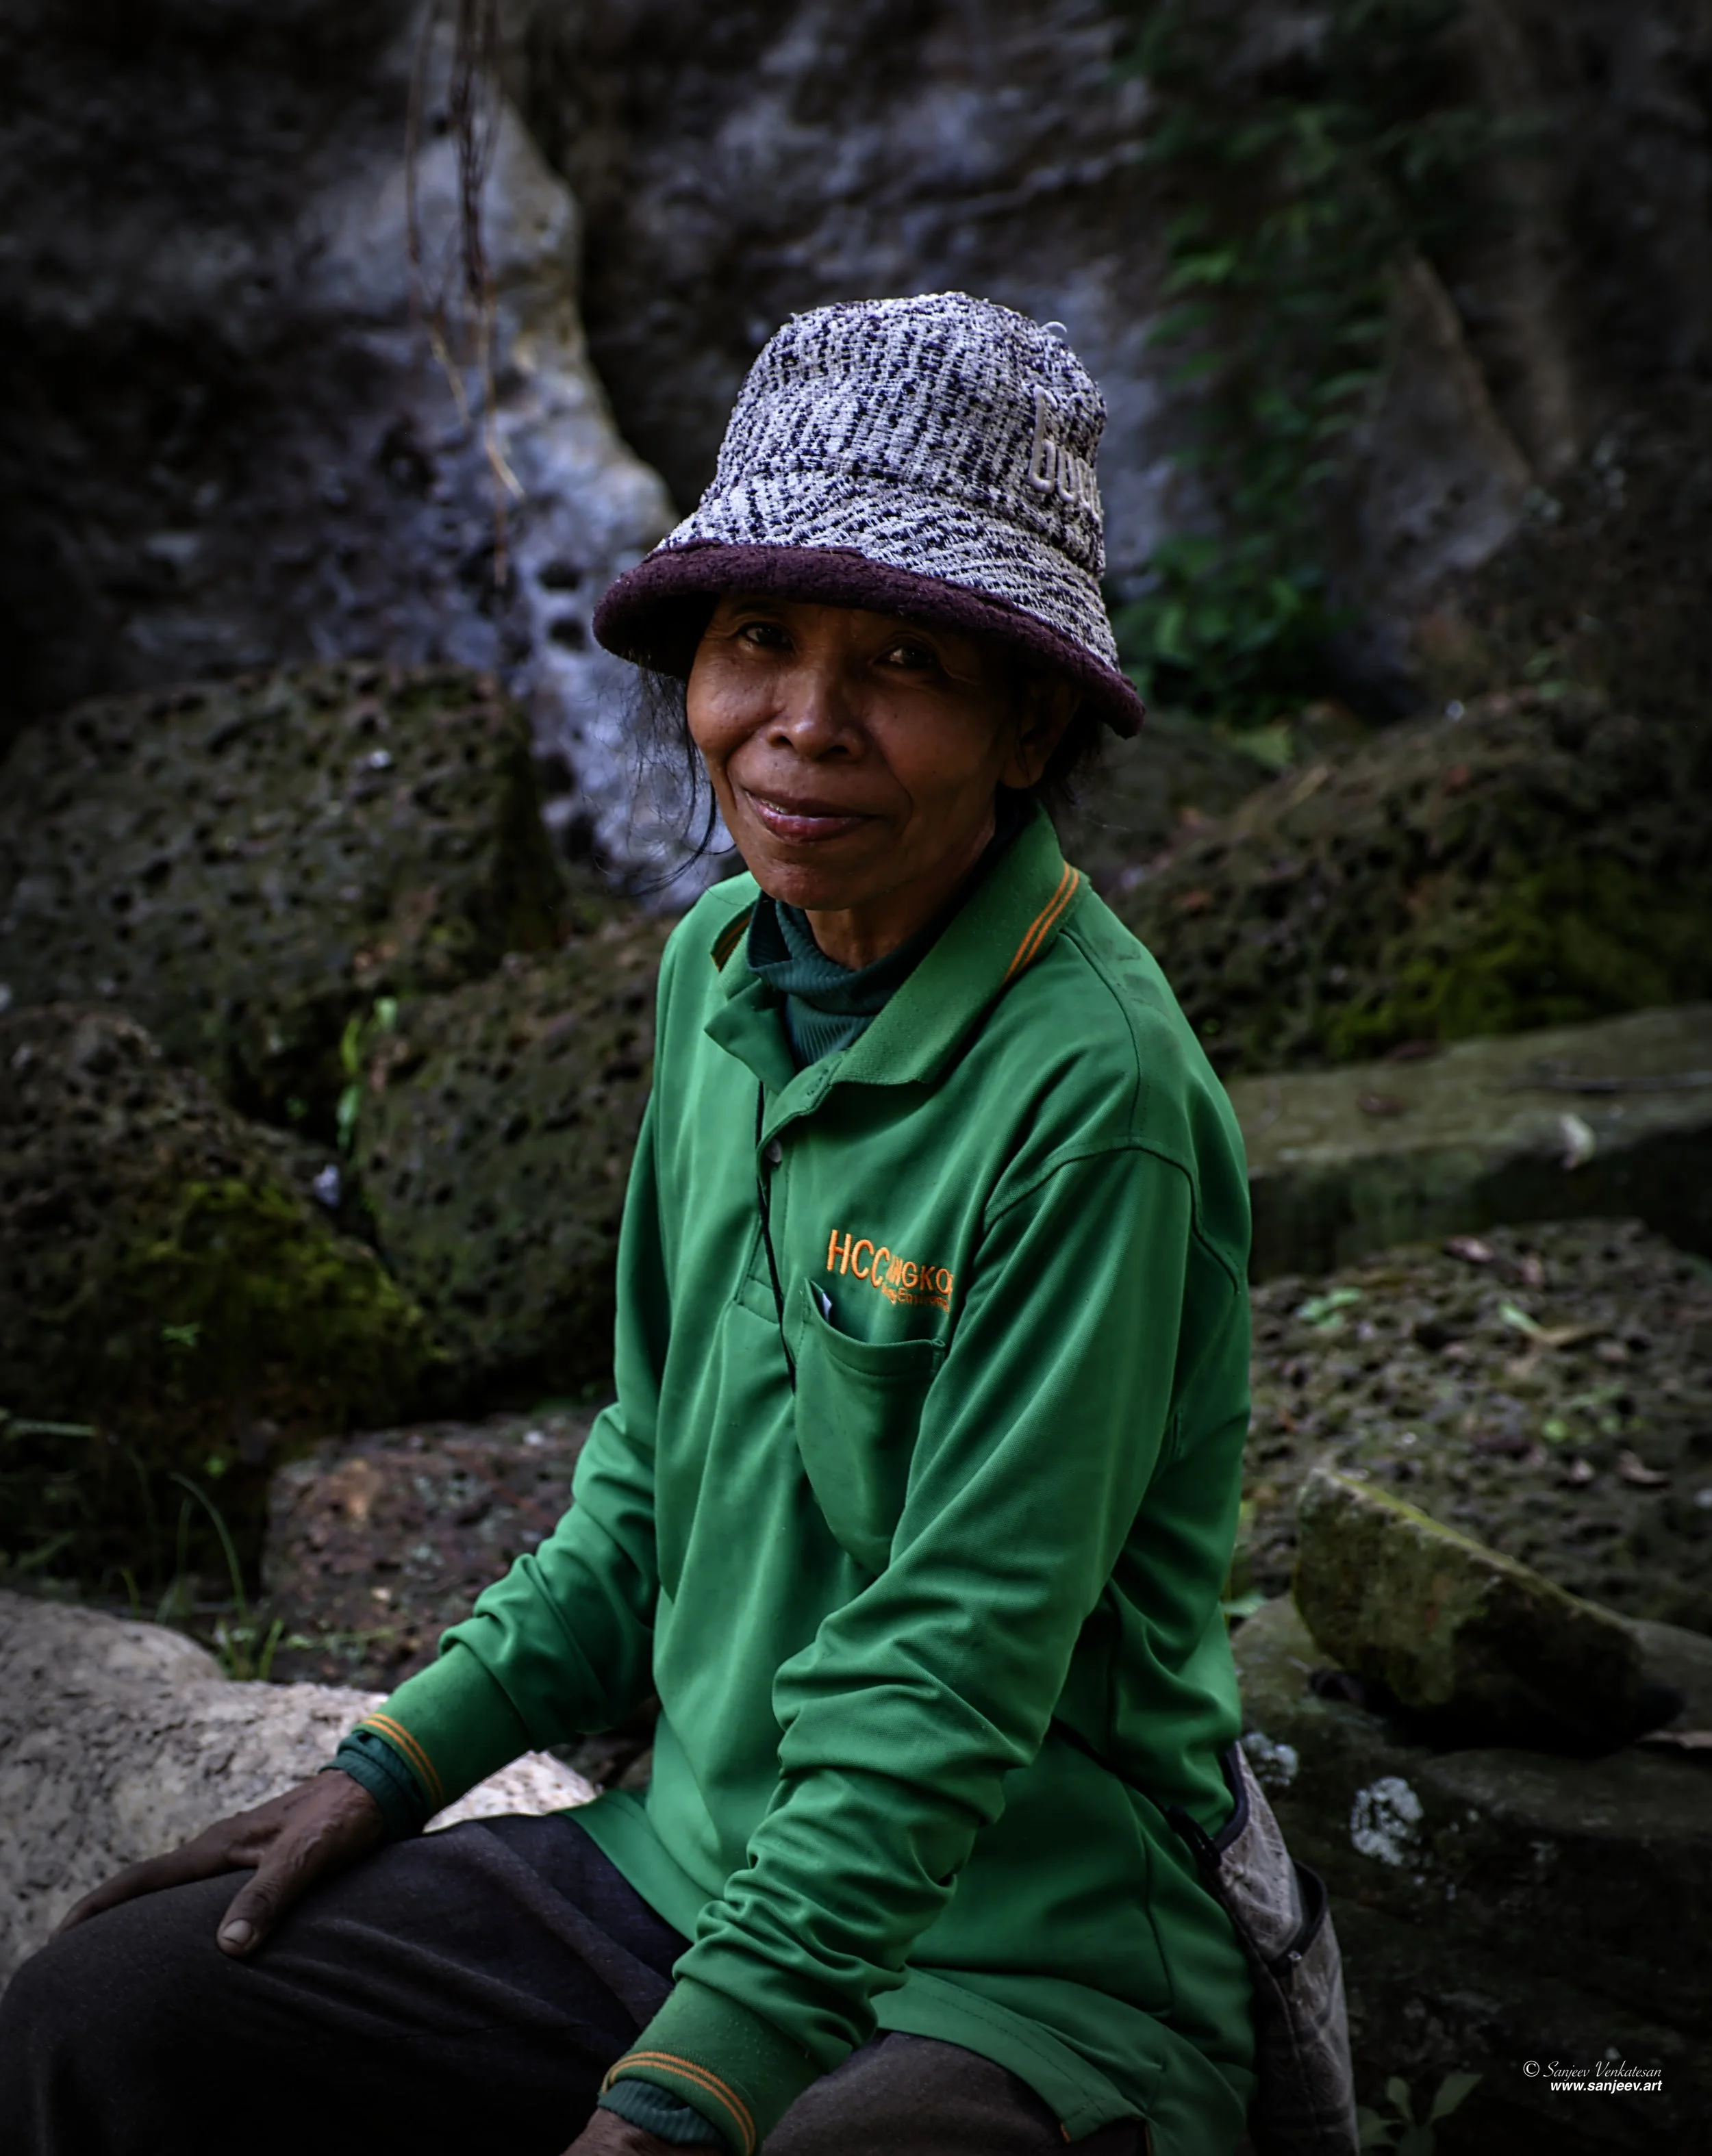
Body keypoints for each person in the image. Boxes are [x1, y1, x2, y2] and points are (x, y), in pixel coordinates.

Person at [0, 293, 1260, 2156]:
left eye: (900, 660)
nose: (801, 725)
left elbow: (948, 1670)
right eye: (759, 639)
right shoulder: (714, 977)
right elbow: (651, 1487)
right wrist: (386, 1766)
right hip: (679, 1867)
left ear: (1028, 721)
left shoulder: (1094, 1101)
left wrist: (681, 2097)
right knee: (100, 2023)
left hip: (1012, 1962)